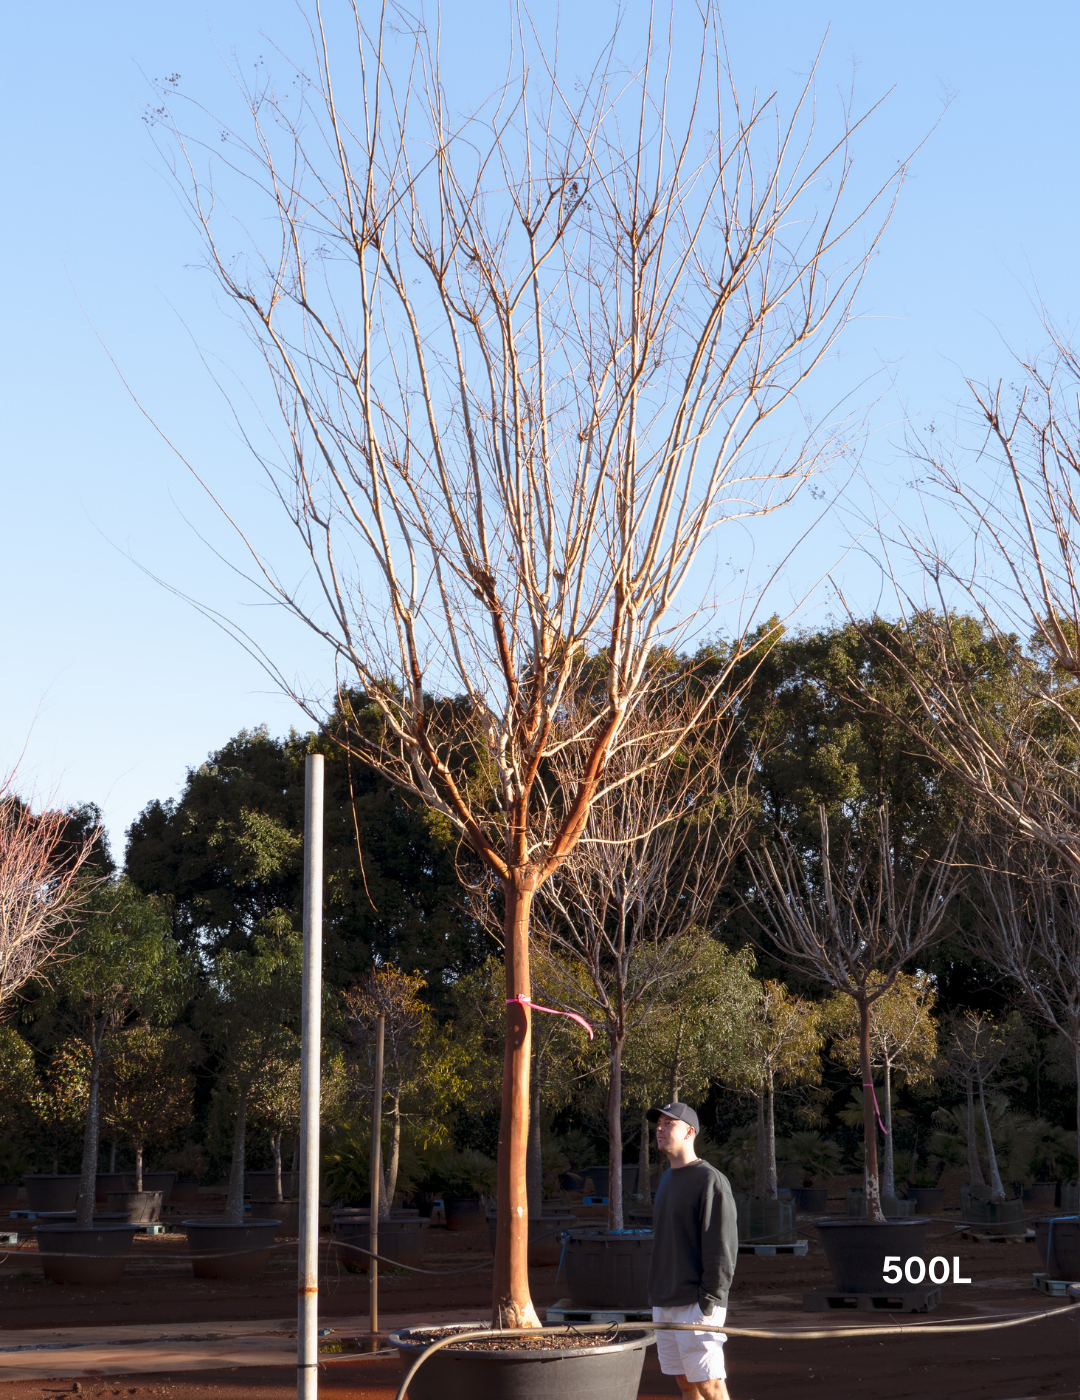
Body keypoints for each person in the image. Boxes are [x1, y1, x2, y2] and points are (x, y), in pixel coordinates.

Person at [646, 1101, 739, 1400]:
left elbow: (722, 1250)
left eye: (668, 1123)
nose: (659, 1128)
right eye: (658, 1123)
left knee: (710, 1385)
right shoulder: (665, 1180)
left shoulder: (710, 1181)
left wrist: (708, 1303)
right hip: (664, 1299)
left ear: (689, 1132)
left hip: (696, 1304)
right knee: (686, 1383)